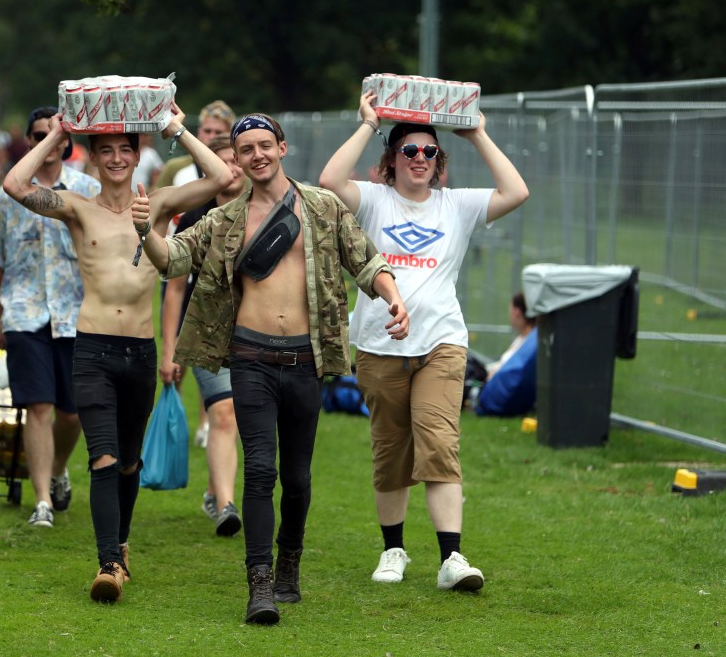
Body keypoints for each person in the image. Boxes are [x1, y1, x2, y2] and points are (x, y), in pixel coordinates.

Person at [133, 113, 408, 625]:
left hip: (307, 357)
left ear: (282, 147)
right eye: (246, 149)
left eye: (265, 145)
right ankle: (258, 582)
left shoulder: (321, 208)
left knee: (298, 477)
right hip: (250, 356)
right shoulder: (222, 220)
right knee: (260, 469)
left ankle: (288, 565)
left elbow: (366, 261)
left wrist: (393, 298)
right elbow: (171, 261)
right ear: (235, 159)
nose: (256, 155)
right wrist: (143, 228)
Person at [2, 100, 231, 604]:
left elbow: (221, 177)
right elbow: (15, 186)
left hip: (141, 353)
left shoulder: (161, 201)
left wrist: (178, 129)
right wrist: (55, 134)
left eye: (123, 150)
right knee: (103, 457)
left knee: (129, 462)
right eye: (104, 151)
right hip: (94, 348)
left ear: (136, 153)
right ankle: (107, 564)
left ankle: (120, 547)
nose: (115, 159)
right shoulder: (77, 208)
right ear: (93, 157)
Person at [319, 90, 529, 593]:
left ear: (439, 163)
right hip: (377, 346)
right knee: (390, 452)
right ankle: (393, 549)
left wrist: (476, 132)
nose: (419, 159)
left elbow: (517, 191)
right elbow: (328, 183)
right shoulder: (373, 200)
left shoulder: (456, 206)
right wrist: (369, 124)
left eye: (429, 153)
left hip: (441, 344)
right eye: (409, 152)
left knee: (439, 444)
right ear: (391, 161)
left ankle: (452, 558)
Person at [0, 106, 101, 529]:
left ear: (67, 141)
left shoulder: (89, 189)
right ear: (31, 141)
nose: (44, 141)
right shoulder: (8, 194)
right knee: (38, 406)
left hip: (77, 313)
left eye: (52, 134)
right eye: (37, 135)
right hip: (24, 310)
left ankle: (56, 472)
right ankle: (41, 502)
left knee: (71, 413)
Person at [159, 134, 245, 537]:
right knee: (222, 412)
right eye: (223, 161)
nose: (232, 168)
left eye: (238, 160)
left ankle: (215, 489)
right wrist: (170, 349)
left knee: (240, 418)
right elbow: (174, 290)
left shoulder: (263, 214)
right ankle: (227, 503)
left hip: (254, 334)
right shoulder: (195, 219)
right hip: (206, 334)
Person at [153, 99, 235, 191]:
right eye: (207, 131)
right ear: (199, 132)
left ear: (229, 135)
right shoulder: (174, 167)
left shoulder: (239, 170)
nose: (212, 137)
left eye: (218, 132)